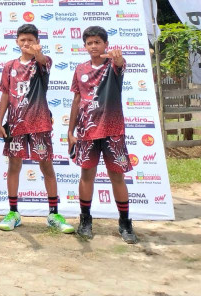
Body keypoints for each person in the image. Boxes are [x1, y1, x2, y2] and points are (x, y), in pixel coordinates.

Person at [0, 24, 74, 234]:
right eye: (22, 40)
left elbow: (43, 61)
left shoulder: (42, 62)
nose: (26, 43)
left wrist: (38, 54)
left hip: (39, 123)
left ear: (37, 42)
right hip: (16, 124)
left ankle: (54, 213)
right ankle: (13, 212)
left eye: (30, 40)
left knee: (46, 167)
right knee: (14, 167)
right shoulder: (9, 66)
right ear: (16, 41)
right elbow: (5, 94)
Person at [68, 26, 137, 244]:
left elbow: (120, 63)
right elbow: (77, 101)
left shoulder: (113, 66)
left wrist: (118, 58)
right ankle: (85, 221)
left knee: (117, 176)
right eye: (90, 43)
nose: (94, 46)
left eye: (98, 42)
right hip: (87, 131)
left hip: (112, 129)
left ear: (105, 44)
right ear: (85, 46)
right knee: (86, 176)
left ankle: (125, 223)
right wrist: (70, 131)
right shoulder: (80, 69)